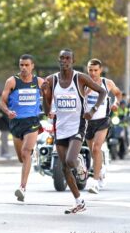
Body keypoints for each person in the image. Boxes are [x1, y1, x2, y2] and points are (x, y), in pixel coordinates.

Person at [41, 49, 106, 214]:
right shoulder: (52, 80)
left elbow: (102, 92)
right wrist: (44, 94)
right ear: (58, 60)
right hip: (60, 126)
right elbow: (46, 110)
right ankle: (79, 201)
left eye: (67, 58)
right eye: (62, 57)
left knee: (70, 161)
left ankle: (80, 164)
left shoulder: (80, 78)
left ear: (73, 60)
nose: (64, 60)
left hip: (78, 125)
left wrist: (92, 111)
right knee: (64, 168)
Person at [0, 54, 44, 202]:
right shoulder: (12, 81)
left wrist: (51, 110)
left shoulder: (39, 82)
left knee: (26, 152)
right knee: (21, 158)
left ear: (32, 66)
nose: (24, 68)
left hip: (32, 122)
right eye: (21, 65)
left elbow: (51, 97)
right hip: (16, 123)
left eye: (26, 65)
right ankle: (31, 155)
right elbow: (2, 103)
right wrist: (7, 111)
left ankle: (22, 188)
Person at [84, 58, 122, 194]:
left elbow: (118, 94)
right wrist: (85, 92)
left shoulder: (108, 83)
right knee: (93, 152)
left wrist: (116, 103)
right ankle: (101, 169)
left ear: (100, 70)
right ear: (87, 70)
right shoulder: (83, 83)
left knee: (96, 148)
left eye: (95, 70)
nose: (93, 73)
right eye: (90, 70)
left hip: (102, 121)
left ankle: (94, 183)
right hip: (88, 122)